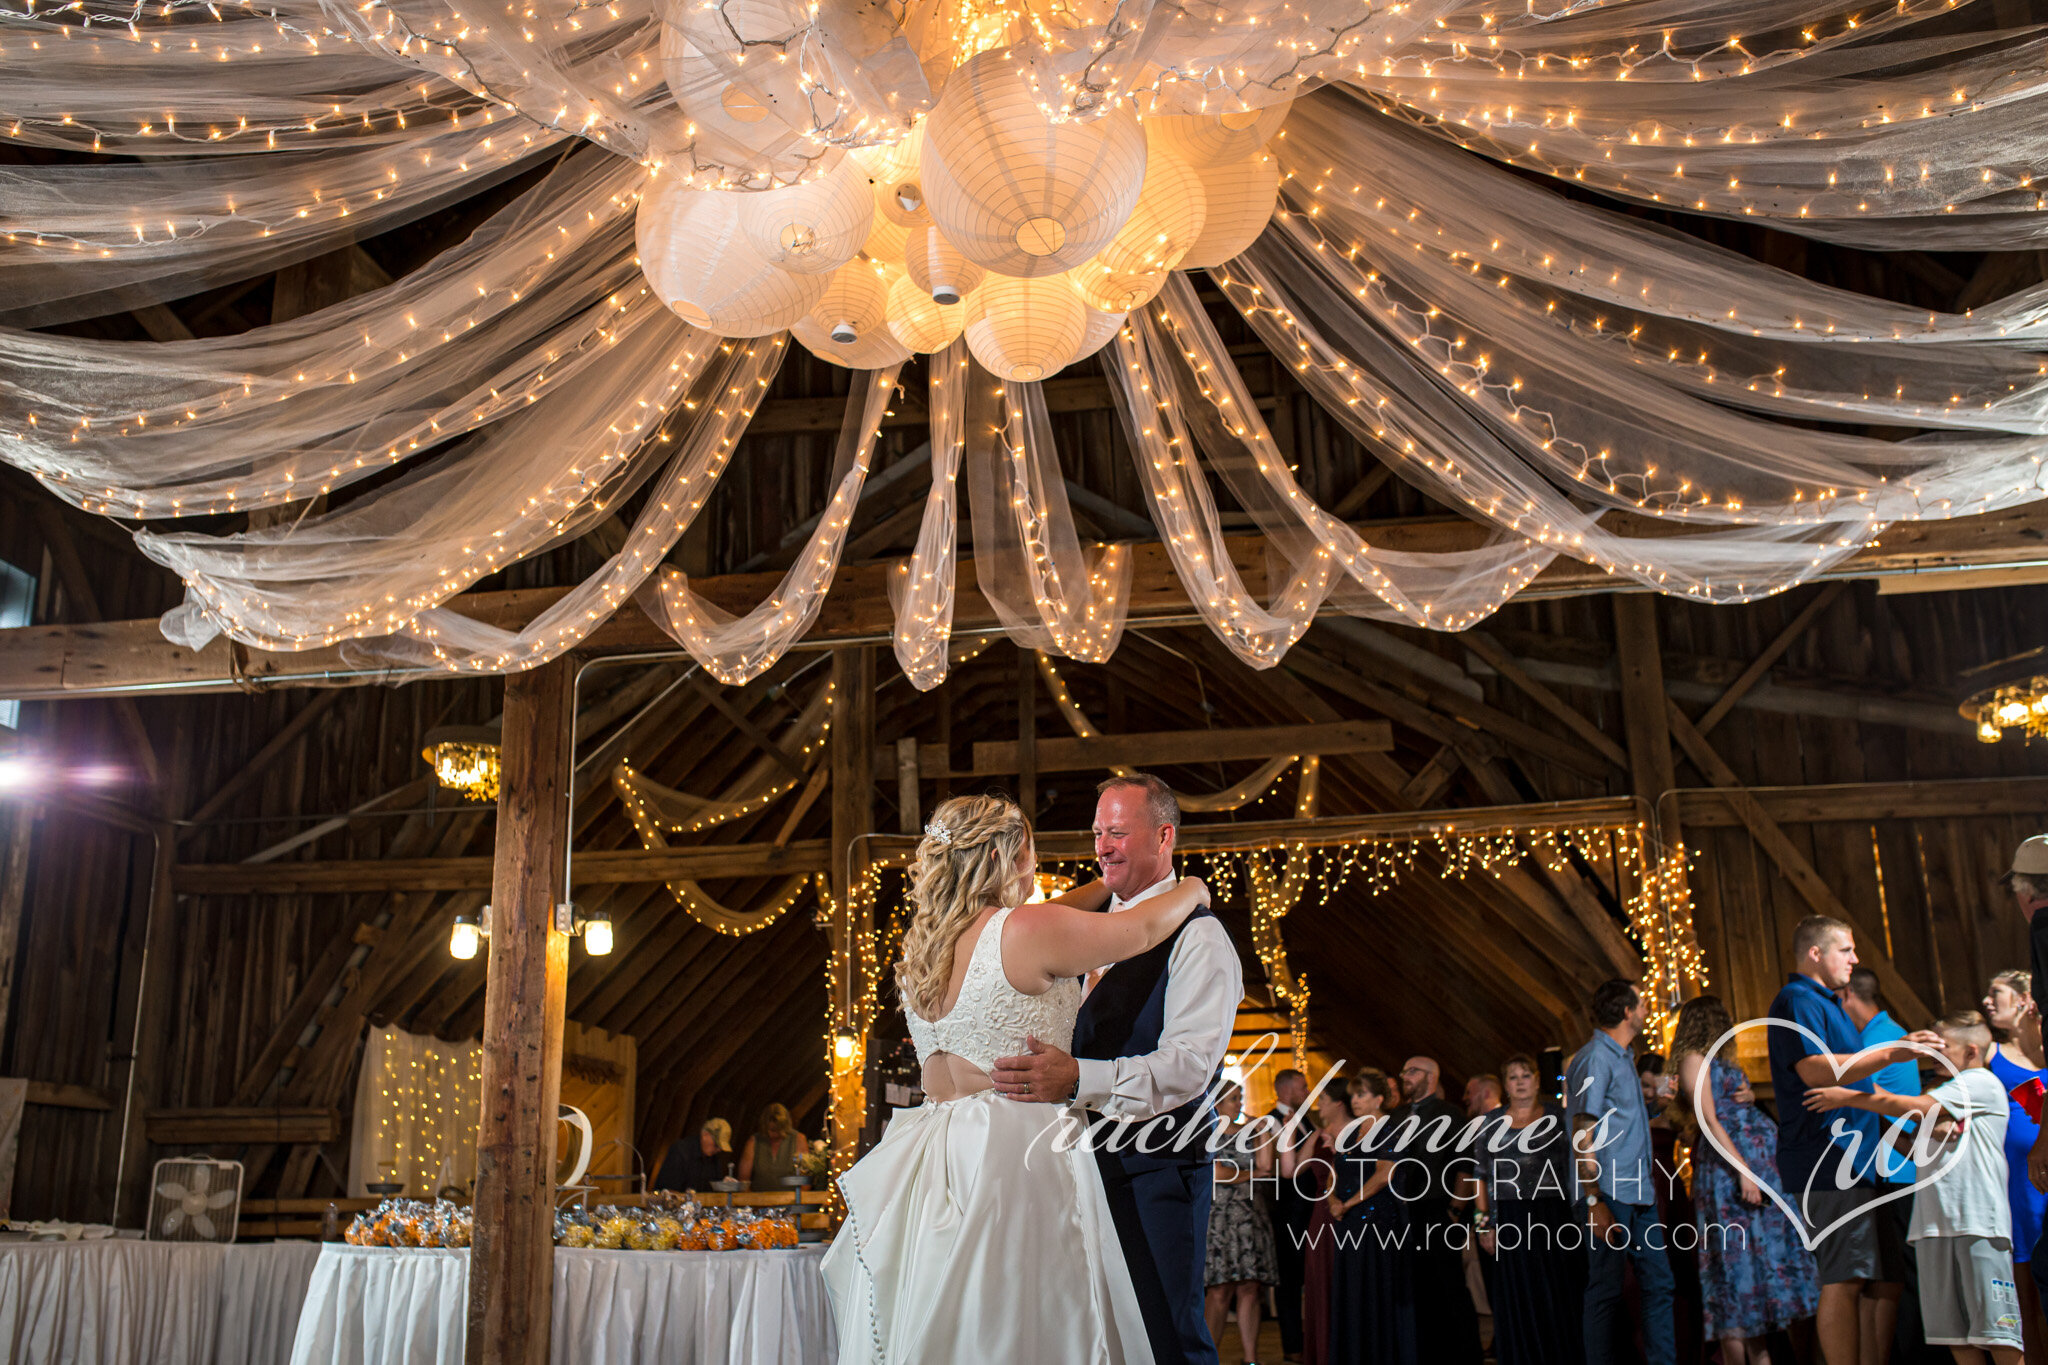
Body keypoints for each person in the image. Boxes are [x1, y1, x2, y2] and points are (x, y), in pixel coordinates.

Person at [820, 792, 1214, 1363]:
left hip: (935, 1151)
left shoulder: (924, 944)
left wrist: (1105, 884)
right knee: (1026, 1320)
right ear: (1009, 858)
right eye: (1031, 853)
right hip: (1012, 1152)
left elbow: (1054, 915)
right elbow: (1140, 930)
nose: (1036, 867)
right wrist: (1193, 891)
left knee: (943, 1317)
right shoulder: (1030, 930)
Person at [991, 773, 1244, 1365]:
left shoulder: (1200, 939)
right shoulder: (1088, 930)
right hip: (1074, 1170)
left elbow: (1186, 1068)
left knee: (1164, 1334)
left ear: (1164, 836)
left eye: (1118, 833)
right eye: (1098, 832)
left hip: (1155, 1167)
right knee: (1098, 1334)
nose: (1102, 845)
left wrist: (1080, 1079)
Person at [1769, 915, 1943, 1365]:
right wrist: (1892, 1052)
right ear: (1815, 953)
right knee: (1843, 1278)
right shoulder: (1796, 999)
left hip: (1861, 1159)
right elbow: (1814, 1069)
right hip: (1826, 1159)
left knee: (1873, 1278)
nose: (1855, 958)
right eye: (1845, 949)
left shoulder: (1829, 1004)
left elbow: (1862, 1090)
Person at [1807, 1011, 2023, 1365]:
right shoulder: (1944, 1092)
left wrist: (1852, 1095)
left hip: (1977, 1224)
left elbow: (1919, 1108)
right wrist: (1871, 1115)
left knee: (1998, 1334)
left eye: (1943, 1048)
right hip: (1934, 1227)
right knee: (1957, 1338)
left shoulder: (1980, 1081)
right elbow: (1910, 1143)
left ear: (1971, 1051)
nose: (1931, 1056)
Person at [1669, 993, 1820, 1365]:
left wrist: (1749, 1096)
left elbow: (1729, 1105)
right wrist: (1744, 1172)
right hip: (1729, 1172)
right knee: (1735, 1267)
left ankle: (1779, 1352)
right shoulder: (1693, 1060)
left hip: (1760, 1168)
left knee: (1764, 1259)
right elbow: (1708, 1119)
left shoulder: (1723, 1061)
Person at [1568, 979, 1675, 1365]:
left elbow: (1624, 1123)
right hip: (1609, 1191)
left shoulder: (1624, 1057)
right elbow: (1584, 1125)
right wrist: (1594, 1198)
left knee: (1660, 1284)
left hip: (1639, 1191)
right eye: (1642, 1003)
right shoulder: (1596, 1057)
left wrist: (1658, 1105)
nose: (1647, 1009)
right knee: (1606, 1290)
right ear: (1628, 1011)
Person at [1847, 965, 1936, 1365]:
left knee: (1899, 1278)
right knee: (1895, 1277)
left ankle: (1913, 1355)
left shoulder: (1877, 1042)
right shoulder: (1884, 1033)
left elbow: (1875, 1103)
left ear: (1849, 996)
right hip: (1899, 1168)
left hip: (1895, 1171)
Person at [1472, 1052, 1584, 1365]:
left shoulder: (1558, 1118)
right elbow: (1480, 1176)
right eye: (1513, 1077)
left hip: (1554, 1215)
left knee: (1558, 1293)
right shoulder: (1489, 1124)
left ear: (1537, 1080)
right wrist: (1483, 1224)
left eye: (1526, 1076)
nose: (1520, 1083)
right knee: (1521, 1296)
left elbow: (1575, 1168)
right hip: (1511, 1217)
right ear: (1505, 1085)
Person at [1383, 1055, 1483, 1365]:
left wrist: (1455, 1211)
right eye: (1403, 1070)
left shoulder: (1450, 1114)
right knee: (1417, 1286)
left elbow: (1465, 1166)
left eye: (1411, 1071)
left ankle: (1465, 1355)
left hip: (1439, 1207)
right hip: (1403, 1213)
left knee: (1449, 1284)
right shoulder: (1395, 1116)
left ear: (1431, 1076)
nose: (1404, 1076)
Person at [1982, 970, 2048, 1362]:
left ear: (2025, 1000)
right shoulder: (1989, 1053)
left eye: (1997, 993)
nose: (1987, 1001)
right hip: (2014, 1183)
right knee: (2023, 1287)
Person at [1330, 1069, 1408, 1365]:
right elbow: (1334, 1170)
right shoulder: (1351, 1132)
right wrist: (1333, 1199)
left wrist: (1347, 1203)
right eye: (1352, 1096)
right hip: (1348, 1221)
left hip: (1377, 1222)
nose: (1355, 1101)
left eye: (1361, 1095)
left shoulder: (1390, 1130)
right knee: (1352, 1289)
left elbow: (1384, 1175)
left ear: (1378, 1099)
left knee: (1375, 1288)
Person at [1206, 1081, 1280, 1365]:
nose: (1239, 1104)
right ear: (1218, 1103)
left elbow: (1266, 1166)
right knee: (1219, 1289)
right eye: (1233, 1099)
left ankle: (1251, 1358)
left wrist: (1262, 1133)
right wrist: (1249, 1174)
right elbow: (1217, 1174)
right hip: (1220, 1217)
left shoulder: (1249, 1133)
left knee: (1250, 1286)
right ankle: (1209, 1356)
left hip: (1251, 1215)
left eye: (1240, 1098)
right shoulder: (1208, 1133)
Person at [1291, 1088, 1351, 1365]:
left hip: (1349, 1212)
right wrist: (1292, 1131)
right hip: (1320, 1215)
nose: (1319, 1107)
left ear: (1339, 1102)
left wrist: (1339, 1151)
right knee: (1320, 1279)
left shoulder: (1358, 1131)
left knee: (1344, 1281)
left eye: (1323, 1101)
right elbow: (1290, 1171)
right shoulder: (1317, 1134)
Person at [1267, 1067, 1316, 1363]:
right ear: (1284, 1090)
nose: (1307, 1091)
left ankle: (1309, 1342)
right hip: (1286, 1212)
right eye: (1302, 1087)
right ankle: (1293, 1346)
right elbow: (1283, 1171)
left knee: (1308, 1279)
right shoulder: (1269, 1122)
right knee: (1288, 1282)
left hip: (1310, 1210)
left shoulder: (1307, 1119)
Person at [739, 1103, 807, 1190]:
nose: (772, 1134)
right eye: (770, 1130)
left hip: (790, 1200)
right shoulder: (754, 1141)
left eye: (777, 1130)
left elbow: (805, 1179)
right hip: (759, 1200)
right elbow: (743, 1179)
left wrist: (798, 1200)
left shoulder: (798, 1139)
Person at [654, 1117, 731, 1191]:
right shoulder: (680, 1151)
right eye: (716, 1145)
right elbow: (667, 1189)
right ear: (705, 1135)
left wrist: (724, 1186)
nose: (718, 1149)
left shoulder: (714, 1159)